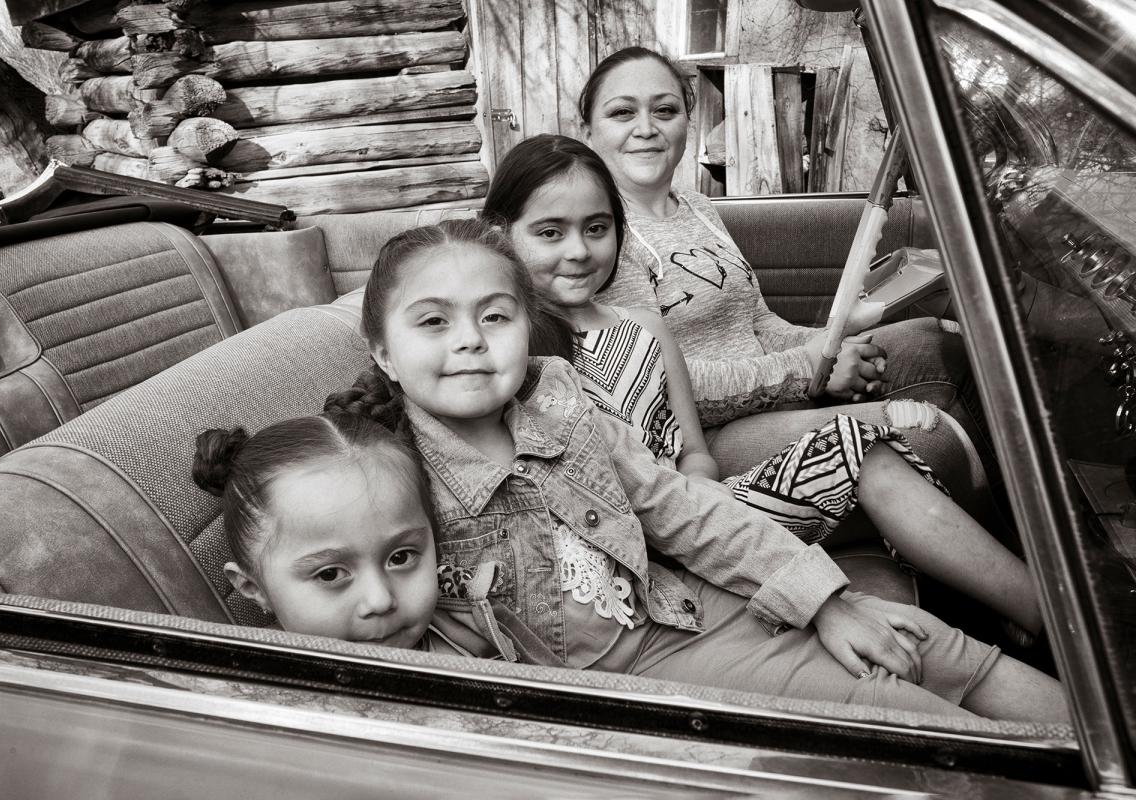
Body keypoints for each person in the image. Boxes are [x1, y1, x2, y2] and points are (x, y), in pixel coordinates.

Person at [328, 215, 1067, 721]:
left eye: (495, 316)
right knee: (889, 698)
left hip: (685, 603)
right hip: (628, 675)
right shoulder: (385, 475)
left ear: (526, 326)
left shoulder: (561, 407)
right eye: (433, 322)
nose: (470, 341)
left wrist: (825, 600)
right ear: (384, 352)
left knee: (927, 642)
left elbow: (683, 507)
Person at [482, 133, 1044, 644]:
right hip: (635, 541)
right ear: (501, 234)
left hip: (706, 509)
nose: (579, 251)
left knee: (862, 449)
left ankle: (1048, 614)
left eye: (596, 229)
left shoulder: (645, 327)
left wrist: (701, 485)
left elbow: (695, 448)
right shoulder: (516, 352)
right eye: (550, 233)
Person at [578, 46, 989, 485]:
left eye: (664, 110)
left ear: (686, 122)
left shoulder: (697, 208)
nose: (646, 128)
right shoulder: (602, 236)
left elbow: (758, 323)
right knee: (927, 437)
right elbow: (654, 386)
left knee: (936, 344)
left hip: (773, 398)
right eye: (622, 113)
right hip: (705, 438)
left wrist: (828, 349)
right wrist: (804, 369)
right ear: (587, 133)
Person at [190, 410, 560, 664]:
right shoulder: (265, 710)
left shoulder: (477, 625)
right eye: (330, 574)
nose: (380, 600)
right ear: (254, 588)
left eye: (401, 557)